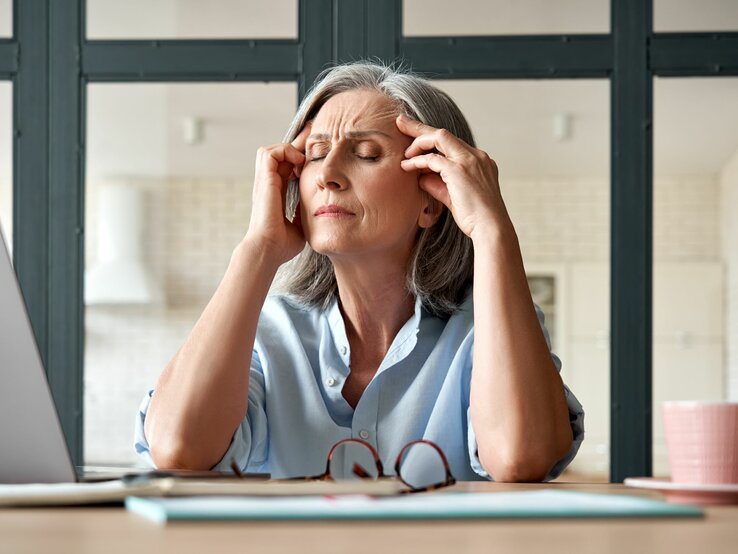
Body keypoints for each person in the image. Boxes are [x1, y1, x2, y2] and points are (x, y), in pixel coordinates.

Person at [135, 61, 584, 483]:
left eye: (366, 154)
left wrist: (492, 231)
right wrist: (258, 248)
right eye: (314, 154)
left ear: (434, 197)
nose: (327, 174)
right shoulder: (265, 332)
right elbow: (179, 450)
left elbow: (522, 458)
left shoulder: (486, 329)